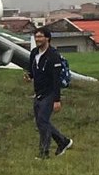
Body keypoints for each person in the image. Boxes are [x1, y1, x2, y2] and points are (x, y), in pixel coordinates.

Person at [24, 27, 73, 160]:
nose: (38, 39)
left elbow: (56, 80)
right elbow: (32, 70)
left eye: (40, 37)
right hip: (38, 92)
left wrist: (57, 100)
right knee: (41, 123)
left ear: (47, 38)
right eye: (36, 37)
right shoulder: (34, 53)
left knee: (43, 121)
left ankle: (44, 153)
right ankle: (63, 141)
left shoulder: (53, 55)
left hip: (50, 92)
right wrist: (29, 76)